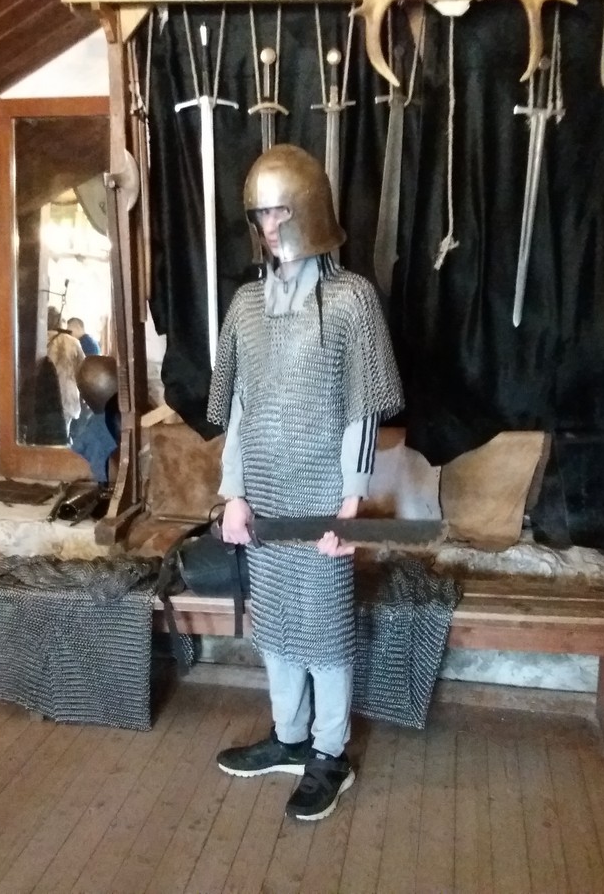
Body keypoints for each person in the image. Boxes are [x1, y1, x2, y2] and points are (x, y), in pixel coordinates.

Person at [207, 144, 404, 821]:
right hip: (264, 495)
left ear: (308, 212)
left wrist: (350, 502)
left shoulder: (351, 301)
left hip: (322, 493)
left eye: (280, 212)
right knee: (277, 629)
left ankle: (329, 755)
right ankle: (289, 737)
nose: (268, 227)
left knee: (323, 632)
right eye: (259, 215)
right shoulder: (246, 305)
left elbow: (363, 411)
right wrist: (234, 492)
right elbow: (239, 410)